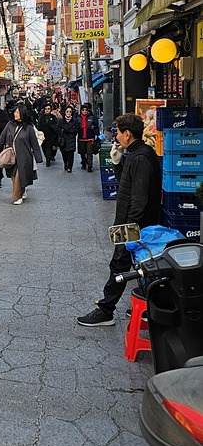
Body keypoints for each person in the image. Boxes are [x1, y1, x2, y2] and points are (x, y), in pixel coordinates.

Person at [77, 112, 162, 327]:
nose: (116, 136)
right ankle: (147, 306)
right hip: (133, 222)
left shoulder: (142, 157)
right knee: (141, 264)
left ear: (128, 134)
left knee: (119, 265)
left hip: (135, 224)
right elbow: (130, 181)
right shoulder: (137, 153)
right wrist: (117, 163)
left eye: (118, 132)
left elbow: (139, 198)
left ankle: (106, 310)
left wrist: (128, 228)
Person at [0, 104, 43, 205]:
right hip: (10, 156)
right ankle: (21, 191)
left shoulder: (29, 128)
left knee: (19, 177)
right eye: (15, 112)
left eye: (17, 112)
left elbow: (34, 143)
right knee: (13, 176)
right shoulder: (9, 125)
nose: (15, 114)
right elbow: (2, 137)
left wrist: (38, 158)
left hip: (24, 157)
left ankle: (18, 197)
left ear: (22, 114)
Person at [77, 103, 100, 172]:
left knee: (89, 152)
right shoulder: (78, 118)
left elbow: (96, 126)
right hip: (81, 137)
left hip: (90, 137)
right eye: (83, 110)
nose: (85, 111)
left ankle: (90, 166)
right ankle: (84, 163)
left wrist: (95, 130)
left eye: (86, 110)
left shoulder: (92, 117)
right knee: (82, 152)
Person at [58, 105, 79, 172]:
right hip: (63, 141)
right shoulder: (61, 121)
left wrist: (72, 131)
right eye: (67, 111)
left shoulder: (74, 121)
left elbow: (77, 129)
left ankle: (70, 167)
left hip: (71, 140)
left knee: (70, 154)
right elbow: (58, 129)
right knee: (64, 154)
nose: (68, 113)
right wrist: (63, 131)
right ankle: (65, 164)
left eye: (70, 112)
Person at [37, 102, 59, 167]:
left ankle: (48, 159)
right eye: (46, 109)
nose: (47, 110)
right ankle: (48, 157)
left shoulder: (54, 117)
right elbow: (38, 126)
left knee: (50, 147)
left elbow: (57, 125)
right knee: (44, 148)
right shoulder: (41, 117)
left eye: (48, 109)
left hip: (51, 135)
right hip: (43, 135)